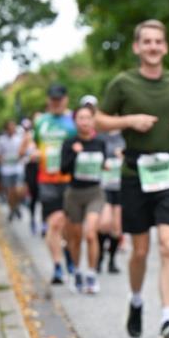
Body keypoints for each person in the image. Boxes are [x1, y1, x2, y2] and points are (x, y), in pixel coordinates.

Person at [95, 19, 169, 338]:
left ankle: (168, 319)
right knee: (140, 251)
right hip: (134, 173)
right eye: (147, 42)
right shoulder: (123, 83)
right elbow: (98, 120)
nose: (153, 47)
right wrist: (128, 120)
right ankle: (136, 300)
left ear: (165, 47)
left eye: (158, 42)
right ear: (137, 47)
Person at [24, 84, 76, 284]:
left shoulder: (73, 120)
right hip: (47, 180)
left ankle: (70, 256)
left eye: (59, 99)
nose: (56, 103)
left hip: (69, 180)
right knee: (53, 224)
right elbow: (32, 145)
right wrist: (33, 152)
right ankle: (57, 266)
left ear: (66, 99)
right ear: (48, 100)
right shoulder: (41, 122)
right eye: (52, 99)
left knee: (67, 226)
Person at [60, 105, 107, 295]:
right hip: (74, 194)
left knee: (90, 233)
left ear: (93, 121)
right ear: (75, 121)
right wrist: (74, 153)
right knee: (76, 236)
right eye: (81, 118)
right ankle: (77, 271)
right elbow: (63, 169)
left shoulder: (100, 142)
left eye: (88, 118)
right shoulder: (70, 143)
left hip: (94, 192)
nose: (85, 122)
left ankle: (92, 274)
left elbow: (103, 165)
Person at [94, 96, 125, 275]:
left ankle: (112, 260)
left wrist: (125, 156)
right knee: (104, 223)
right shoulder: (100, 136)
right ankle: (99, 258)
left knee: (117, 227)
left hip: (120, 185)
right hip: (104, 184)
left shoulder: (125, 136)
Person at [0, 120, 26, 220]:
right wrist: (0, 159)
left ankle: (16, 206)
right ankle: (12, 208)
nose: (11, 129)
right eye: (10, 127)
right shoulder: (1, 140)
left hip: (17, 168)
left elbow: (24, 151)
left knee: (17, 190)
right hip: (6, 170)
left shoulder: (19, 139)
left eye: (13, 127)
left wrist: (21, 156)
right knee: (10, 192)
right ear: (6, 129)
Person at [22, 114, 42, 234]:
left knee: (44, 195)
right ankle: (33, 220)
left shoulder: (47, 135)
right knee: (34, 195)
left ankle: (45, 222)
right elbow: (20, 152)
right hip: (31, 168)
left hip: (43, 168)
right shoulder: (28, 136)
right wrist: (30, 154)